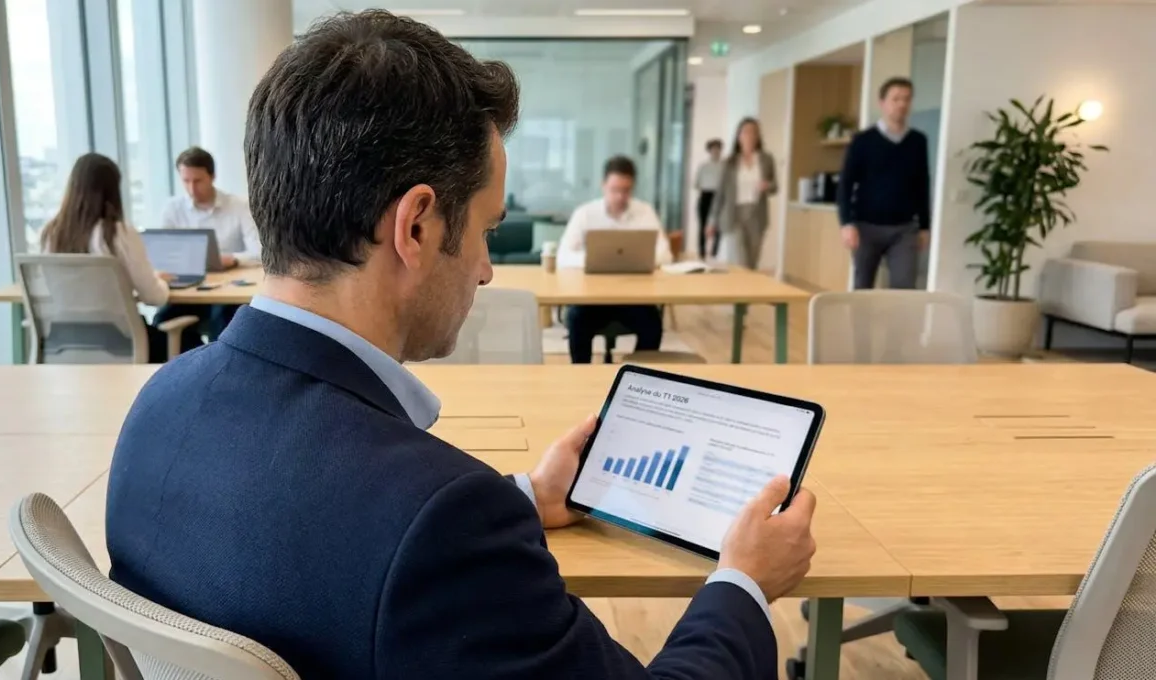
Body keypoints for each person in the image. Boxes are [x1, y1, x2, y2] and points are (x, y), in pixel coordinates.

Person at [106, 10, 816, 679]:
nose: (485, 267)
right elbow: (396, 542)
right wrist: (744, 583)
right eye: (485, 228)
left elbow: (319, 550)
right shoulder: (442, 522)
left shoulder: (159, 407)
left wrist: (527, 497)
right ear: (415, 227)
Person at [38, 153, 201, 362]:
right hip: (123, 342)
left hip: (65, 343)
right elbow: (154, 297)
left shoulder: (50, 234)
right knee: (195, 347)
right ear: (113, 190)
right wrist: (158, 281)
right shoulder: (117, 233)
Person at [557, 156, 674, 364]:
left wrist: (638, 259)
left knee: (653, 325)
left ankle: (637, 377)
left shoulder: (644, 212)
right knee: (576, 319)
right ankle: (581, 375)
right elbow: (563, 256)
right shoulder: (585, 214)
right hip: (592, 298)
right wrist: (596, 259)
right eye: (615, 189)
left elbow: (666, 254)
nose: (620, 196)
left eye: (626, 190)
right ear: (604, 186)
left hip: (634, 297)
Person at [155, 147, 261, 338]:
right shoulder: (173, 209)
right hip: (187, 290)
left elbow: (259, 252)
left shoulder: (238, 206)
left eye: (197, 181)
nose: (191, 189)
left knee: (220, 319)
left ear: (212, 176)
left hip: (227, 289)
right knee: (162, 320)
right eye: (186, 181)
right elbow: (164, 255)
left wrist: (233, 260)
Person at [837, 77, 931, 289]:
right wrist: (846, 223)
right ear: (882, 103)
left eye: (906, 99)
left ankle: (897, 324)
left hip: (904, 229)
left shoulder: (918, 141)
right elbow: (846, 184)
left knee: (904, 288)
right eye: (895, 98)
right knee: (863, 286)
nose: (901, 104)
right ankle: (861, 324)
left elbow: (922, 183)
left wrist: (925, 226)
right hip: (866, 227)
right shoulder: (862, 140)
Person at [710, 118, 777, 270]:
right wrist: (712, 220)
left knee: (752, 263)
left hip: (757, 215)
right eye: (746, 132)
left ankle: (748, 292)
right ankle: (739, 292)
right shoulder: (730, 162)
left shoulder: (766, 160)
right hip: (734, 215)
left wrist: (767, 186)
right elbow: (720, 193)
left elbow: (775, 187)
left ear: (758, 136)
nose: (750, 136)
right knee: (741, 263)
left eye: (754, 132)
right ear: (739, 136)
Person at [694, 138, 724, 258]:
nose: (715, 151)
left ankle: (714, 252)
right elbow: (696, 183)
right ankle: (702, 252)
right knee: (703, 225)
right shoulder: (703, 166)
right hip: (705, 196)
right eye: (713, 149)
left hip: (718, 196)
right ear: (709, 150)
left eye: (718, 149)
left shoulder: (724, 166)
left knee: (718, 226)